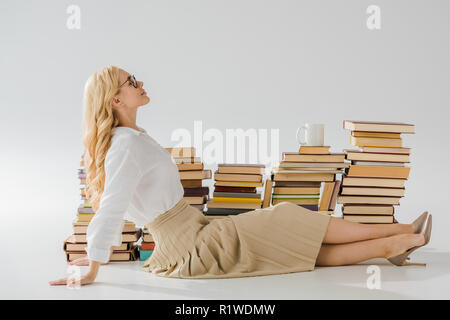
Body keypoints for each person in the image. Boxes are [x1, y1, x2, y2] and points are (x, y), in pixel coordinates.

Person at [49, 66, 432, 287]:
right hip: (191, 245)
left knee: (294, 246)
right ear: (116, 101)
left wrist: (94, 256)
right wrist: (94, 266)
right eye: (131, 81)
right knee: (287, 217)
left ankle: (391, 246)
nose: (140, 83)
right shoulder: (125, 145)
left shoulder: (130, 139)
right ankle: (395, 232)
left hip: (193, 235)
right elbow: (112, 207)